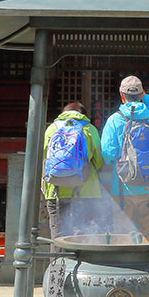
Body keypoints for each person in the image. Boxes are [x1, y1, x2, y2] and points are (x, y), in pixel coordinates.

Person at [100, 75, 149, 239]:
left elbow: (107, 154)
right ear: (142, 94)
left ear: (122, 95)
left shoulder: (114, 120)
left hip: (122, 187)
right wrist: (146, 97)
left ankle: (126, 263)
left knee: (123, 234)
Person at [41, 101, 103, 241]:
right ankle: (80, 262)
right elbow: (98, 162)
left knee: (58, 235)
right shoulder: (89, 129)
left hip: (55, 190)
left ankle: (56, 262)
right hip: (85, 190)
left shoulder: (51, 129)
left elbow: (44, 158)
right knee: (82, 233)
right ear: (83, 115)